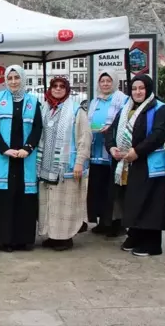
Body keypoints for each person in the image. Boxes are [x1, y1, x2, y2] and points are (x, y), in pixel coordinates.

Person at [104, 74, 165, 257]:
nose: (138, 92)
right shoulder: (126, 108)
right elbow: (111, 131)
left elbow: (158, 135)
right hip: (126, 164)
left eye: (141, 88)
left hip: (149, 164)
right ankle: (134, 235)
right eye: (134, 88)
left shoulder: (160, 108)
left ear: (148, 89)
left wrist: (137, 151)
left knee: (149, 203)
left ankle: (151, 243)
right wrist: (111, 148)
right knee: (131, 201)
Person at [0, 65, 42, 252]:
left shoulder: (33, 101)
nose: (14, 81)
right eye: (10, 78)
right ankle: (5, 239)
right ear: (6, 80)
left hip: (24, 158)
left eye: (17, 77)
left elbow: (38, 128)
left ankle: (22, 239)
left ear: (23, 79)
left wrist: (28, 149)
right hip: (4, 157)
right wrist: (4, 149)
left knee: (23, 199)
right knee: (4, 200)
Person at [37, 77, 91, 251]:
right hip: (46, 166)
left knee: (65, 203)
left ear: (67, 90)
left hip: (66, 166)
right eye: (55, 86)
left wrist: (79, 162)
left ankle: (65, 238)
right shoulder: (45, 108)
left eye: (62, 86)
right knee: (50, 203)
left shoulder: (76, 110)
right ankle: (52, 236)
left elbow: (85, 137)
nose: (58, 89)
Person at [86, 69, 128, 236]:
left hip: (114, 153)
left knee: (114, 190)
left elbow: (125, 123)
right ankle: (102, 221)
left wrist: (111, 129)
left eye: (108, 81)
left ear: (115, 82)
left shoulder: (123, 100)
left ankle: (116, 224)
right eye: (102, 81)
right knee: (98, 189)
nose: (105, 84)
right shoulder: (95, 101)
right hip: (96, 152)